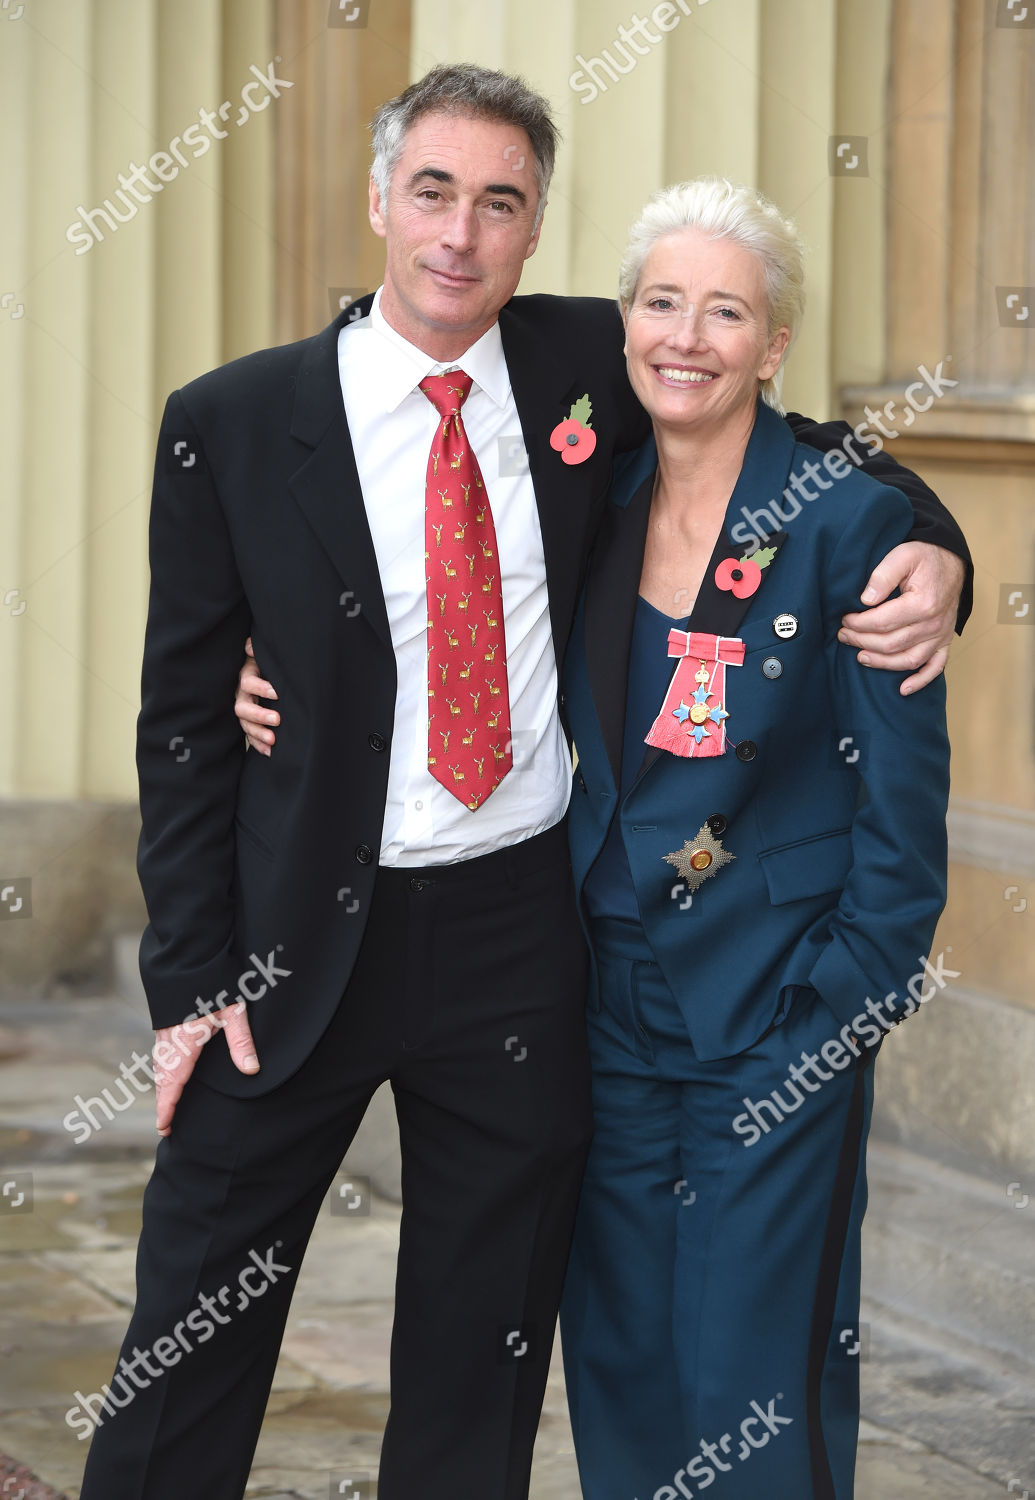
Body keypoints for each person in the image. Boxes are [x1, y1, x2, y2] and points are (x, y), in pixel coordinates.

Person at [91, 61, 966, 1500]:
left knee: (479, 1350)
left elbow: (787, 442)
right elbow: (181, 723)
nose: (460, 234)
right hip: (294, 933)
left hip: (513, 931)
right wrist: (189, 983)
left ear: (534, 229)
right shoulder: (236, 420)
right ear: (379, 199)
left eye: (501, 204)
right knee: (191, 1328)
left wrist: (940, 549)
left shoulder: (585, 363)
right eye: (433, 191)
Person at [554, 178, 949, 1499]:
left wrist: (846, 996)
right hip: (603, 999)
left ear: (772, 346)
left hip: (773, 1007)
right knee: (616, 1352)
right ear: (624, 323)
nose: (688, 335)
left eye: (727, 311)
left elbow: (903, 804)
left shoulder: (847, 518)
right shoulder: (587, 498)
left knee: (750, 1370)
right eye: (663, 301)